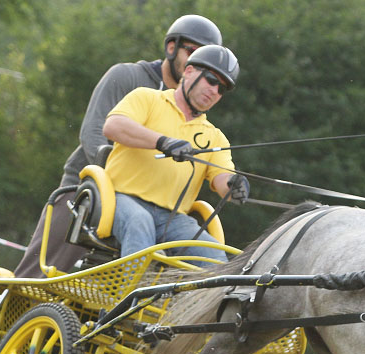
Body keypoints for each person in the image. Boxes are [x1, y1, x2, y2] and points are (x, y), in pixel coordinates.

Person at [14, 15, 224, 278]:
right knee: (41, 273)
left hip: (152, 212)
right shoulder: (129, 77)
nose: (198, 63)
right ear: (171, 47)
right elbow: (93, 133)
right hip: (86, 192)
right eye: (192, 51)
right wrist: (114, 190)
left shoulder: (194, 108)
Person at [102, 44, 248, 262]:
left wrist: (234, 186)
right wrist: (162, 142)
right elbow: (113, 126)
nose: (215, 91)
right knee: (139, 221)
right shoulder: (147, 98)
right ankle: (135, 294)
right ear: (189, 71)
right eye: (211, 79)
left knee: (214, 257)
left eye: (222, 88)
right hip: (120, 200)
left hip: (173, 219)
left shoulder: (215, 137)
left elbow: (222, 178)